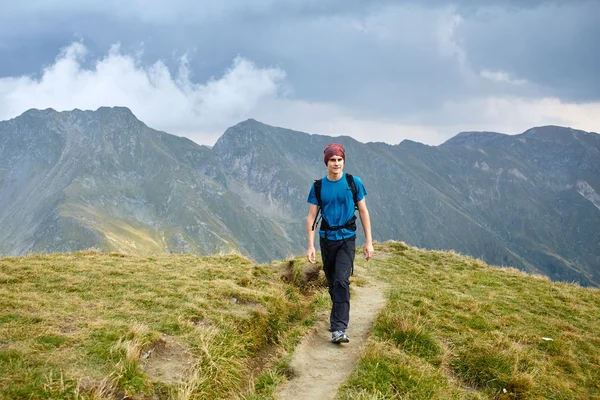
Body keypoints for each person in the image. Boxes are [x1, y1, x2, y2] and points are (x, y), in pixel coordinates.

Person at [306, 143, 374, 344]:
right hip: (326, 240)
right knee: (332, 282)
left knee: (342, 281)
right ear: (327, 162)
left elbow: (363, 211)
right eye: (332, 160)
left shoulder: (354, 182)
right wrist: (310, 246)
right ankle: (338, 315)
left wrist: (368, 241)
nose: (336, 163)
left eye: (339, 160)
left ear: (344, 161)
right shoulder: (318, 187)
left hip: (347, 239)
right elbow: (311, 217)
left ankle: (338, 328)